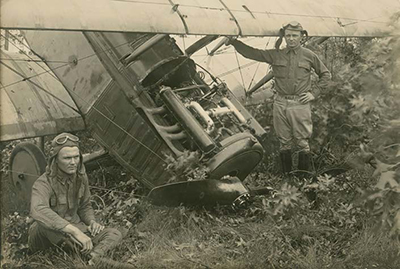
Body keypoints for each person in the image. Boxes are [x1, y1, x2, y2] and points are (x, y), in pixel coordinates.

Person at [226, 21, 331, 176]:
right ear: (284, 37)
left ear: (302, 36)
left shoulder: (309, 56)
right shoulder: (276, 55)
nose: (291, 39)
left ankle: (303, 179)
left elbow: (326, 75)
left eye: (295, 35)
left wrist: (313, 94)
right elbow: (253, 53)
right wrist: (234, 42)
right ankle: (287, 179)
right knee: (284, 143)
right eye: (288, 35)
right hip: (280, 102)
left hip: (299, 104)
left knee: (302, 143)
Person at [28, 132, 122, 264]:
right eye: (67, 158)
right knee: (44, 226)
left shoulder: (81, 178)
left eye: (76, 157)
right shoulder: (43, 183)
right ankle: (89, 258)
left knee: (114, 233)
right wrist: (75, 232)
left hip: (76, 229)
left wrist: (91, 222)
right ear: (55, 159)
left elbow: (85, 206)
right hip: (48, 236)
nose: (73, 162)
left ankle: (94, 257)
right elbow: (38, 210)